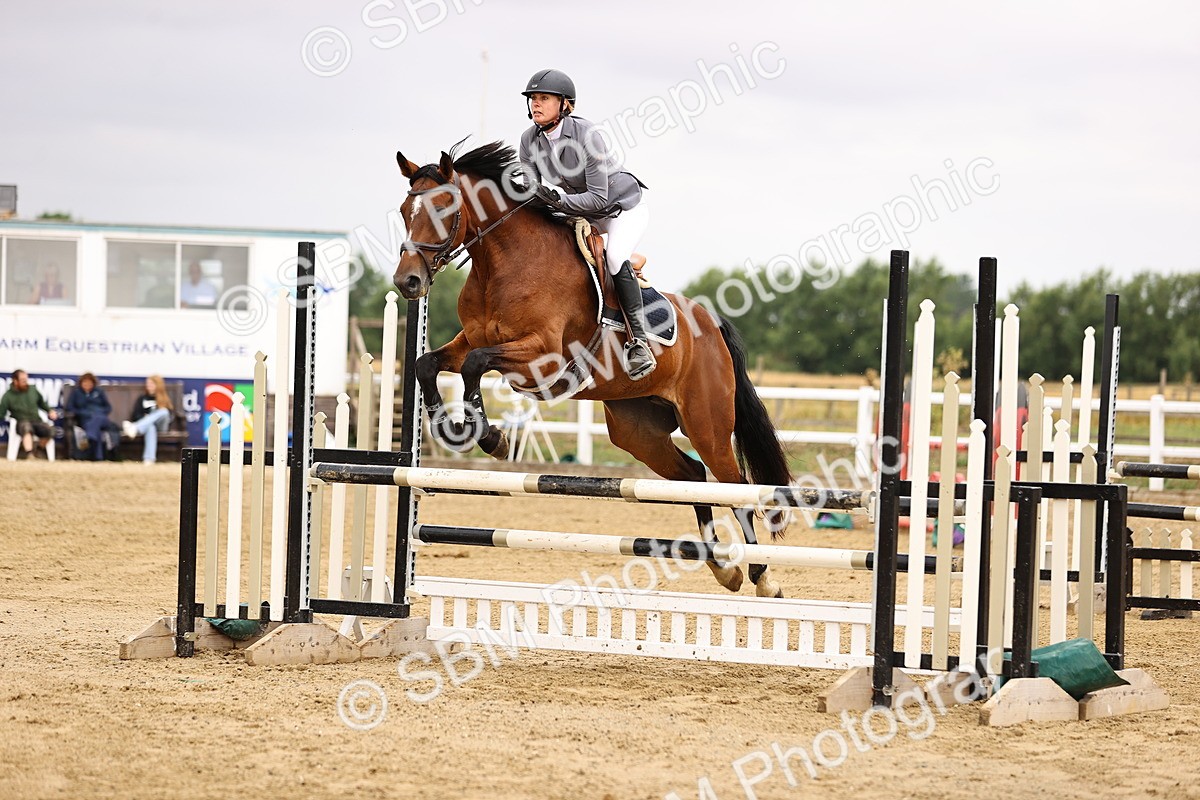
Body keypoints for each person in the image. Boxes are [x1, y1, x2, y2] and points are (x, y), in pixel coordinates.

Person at [518, 68, 656, 380]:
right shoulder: (529, 141)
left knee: (615, 256)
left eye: (544, 98)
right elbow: (531, 192)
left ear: (564, 104)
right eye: (533, 98)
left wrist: (556, 200)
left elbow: (597, 197)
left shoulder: (587, 136)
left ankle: (638, 343)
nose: (536, 103)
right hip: (583, 211)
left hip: (621, 208)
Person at [0, 369, 58, 459]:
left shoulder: (33, 390)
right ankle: (29, 454)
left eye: (26, 380)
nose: (25, 382)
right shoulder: (8, 396)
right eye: (22, 380)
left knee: (52, 431)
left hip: (36, 420)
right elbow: (1, 413)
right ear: (15, 381)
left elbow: (42, 403)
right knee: (27, 428)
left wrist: (50, 410)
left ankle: (38, 450)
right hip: (21, 422)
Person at [65, 372, 121, 461]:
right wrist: (82, 413)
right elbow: (69, 408)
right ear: (81, 383)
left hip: (102, 419)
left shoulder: (99, 392)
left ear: (93, 383)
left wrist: (99, 412)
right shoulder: (76, 393)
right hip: (86, 420)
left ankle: (89, 437)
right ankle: (98, 457)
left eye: (89, 382)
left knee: (97, 419)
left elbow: (108, 408)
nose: (87, 384)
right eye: (85, 382)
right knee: (96, 431)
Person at [121, 375, 174, 464]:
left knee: (164, 411)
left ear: (158, 385)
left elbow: (170, 415)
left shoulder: (165, 398)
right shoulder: (142, 398)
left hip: (162, 426)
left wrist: (152, 417)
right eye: (147, 384)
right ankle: (149, 459)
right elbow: (136, 415)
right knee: (150, 427)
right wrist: (145, 418)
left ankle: (135, 427)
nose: (148, 386)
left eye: (151, 384)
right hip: (147, 426)